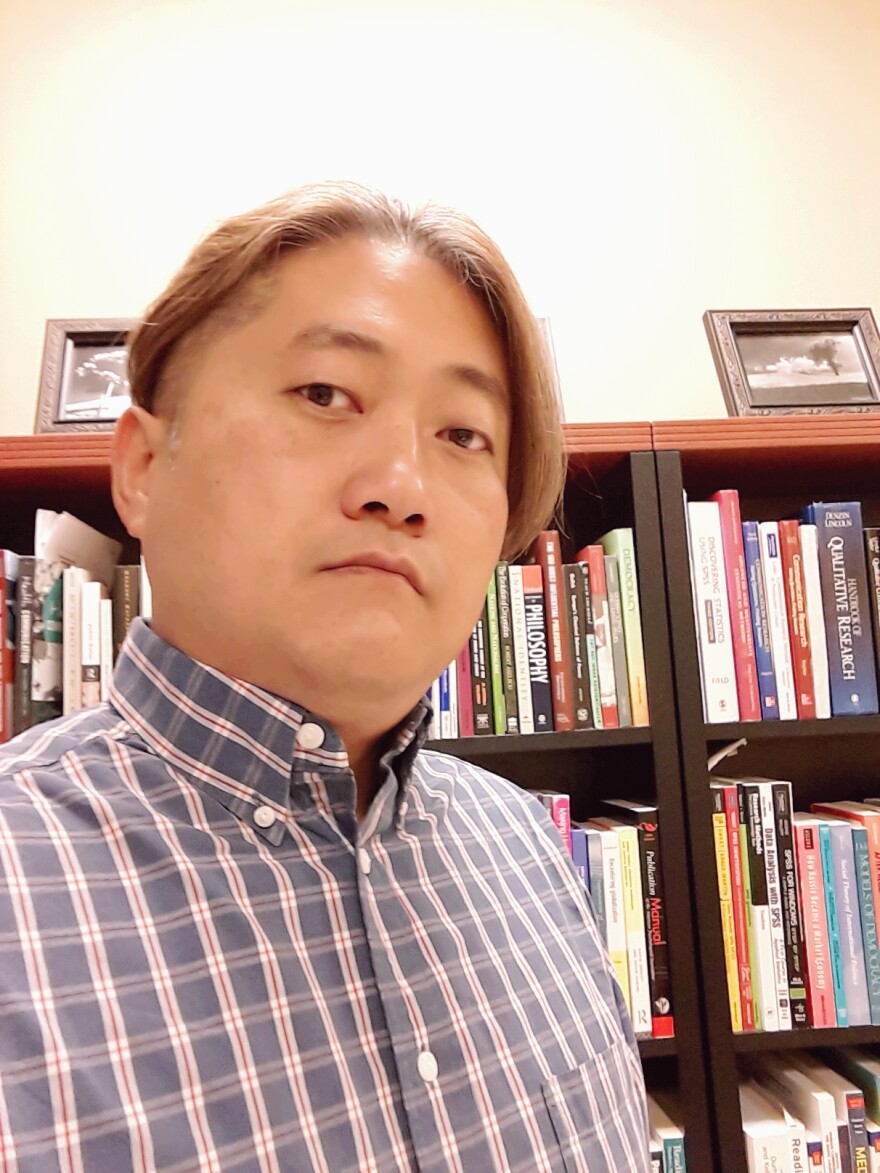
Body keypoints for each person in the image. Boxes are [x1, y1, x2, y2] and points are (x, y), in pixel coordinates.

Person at [0, 182, 649, 1171]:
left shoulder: (526, 844)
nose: (402, 487)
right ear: (142, 467)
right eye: (324, 394)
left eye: (464, 435)